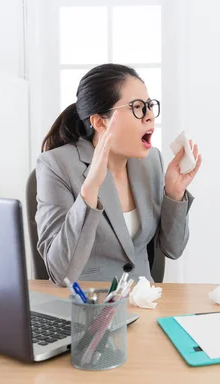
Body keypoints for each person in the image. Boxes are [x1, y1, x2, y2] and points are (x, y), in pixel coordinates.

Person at [35, 63, 201, 285]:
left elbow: (173, 249)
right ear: (100, 122)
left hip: (144, 302)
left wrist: (174, 193)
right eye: (137, 107)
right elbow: (60, 273)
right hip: (87, 307)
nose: (149, 116)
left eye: (150, 106)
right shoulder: (56, 166)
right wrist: (89, 191)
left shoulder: (151, 161)